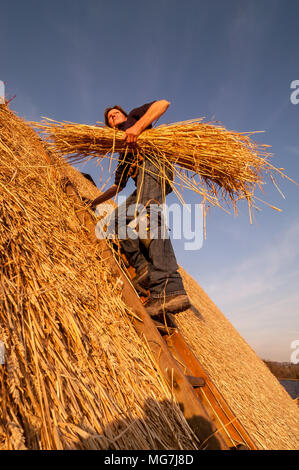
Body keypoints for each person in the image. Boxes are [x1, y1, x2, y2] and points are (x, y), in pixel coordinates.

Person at [91, 100, 191, 319]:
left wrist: (137, 127)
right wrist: (95, 202)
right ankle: (143, 267)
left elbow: (163, 103)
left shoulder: (136, 118)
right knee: (117, 221)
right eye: (110, 118)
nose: (113, 116)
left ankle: (169, 287)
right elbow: (118, 186)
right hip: (142, 180)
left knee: (148, 218)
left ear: (125, 115)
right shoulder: (124, 151)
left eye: (116, 113)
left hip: (154, 167)